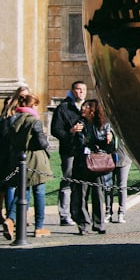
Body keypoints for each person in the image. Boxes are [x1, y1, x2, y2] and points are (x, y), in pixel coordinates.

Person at [2, 93, 53, 240]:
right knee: (39, 192)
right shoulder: (34, 121)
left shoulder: (12, 119)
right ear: (33, 106)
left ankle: (10, 219)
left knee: (22, 192)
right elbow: (42, 143)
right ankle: (39, 226)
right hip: (35, 158)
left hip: (18, 157)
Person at [69, 98, 114, 235]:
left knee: (98, 194)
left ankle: (99, 223)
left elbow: (110, 147)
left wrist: (110, 138)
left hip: (98, 164)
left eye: (86, 107)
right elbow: (77, 144)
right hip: (82, 163)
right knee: (81, 194)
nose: (83, 109)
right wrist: (72, 132)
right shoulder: (79, 124)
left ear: (93, 110)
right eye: (83, 107)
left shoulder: (104, 125)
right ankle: (84, 224)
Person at [50, 80, 87, 226]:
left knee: (81, 183)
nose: (81, 92)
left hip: (84, 150)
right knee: (67, 180)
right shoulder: (63, 108)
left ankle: (78, 213)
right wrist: (70, 132)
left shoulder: (87, 107)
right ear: (72, 91)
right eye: (78, 89)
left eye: (83, 89)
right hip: (69, 150)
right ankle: (64, 214)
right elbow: (56, 130)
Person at [0, 85, 30, 224]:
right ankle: (11, 217)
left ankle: (15, 216)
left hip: (18, 154)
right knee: (10, 185)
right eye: (22, 96)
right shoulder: (10, 114)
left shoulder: (18, 113)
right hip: (9, 154)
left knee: (19, 185)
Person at [108, 126, 132, 224]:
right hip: (109, 158)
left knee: (122, 186)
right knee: (108, 187)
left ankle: (121, 213)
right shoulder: (107, 124)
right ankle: (108, 212)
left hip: (124, 158)